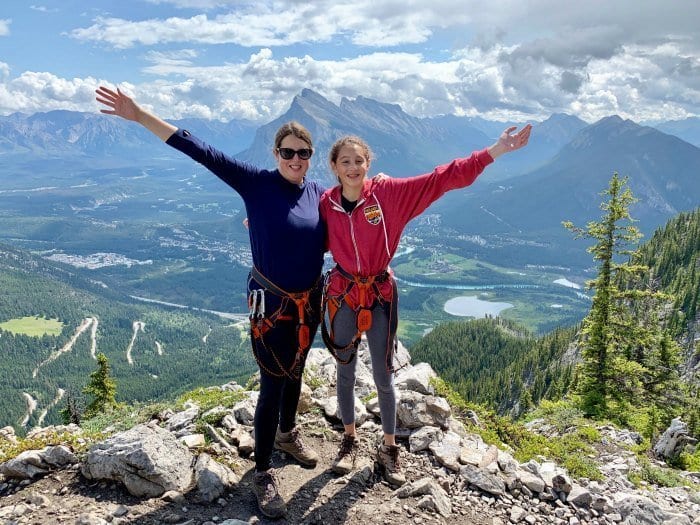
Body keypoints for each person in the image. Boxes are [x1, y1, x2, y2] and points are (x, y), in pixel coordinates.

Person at [95, 85, 325, 519]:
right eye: (289, 152)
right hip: (272, 304)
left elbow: (339, 231)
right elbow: (201, 150)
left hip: (307, 303)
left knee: (296, 370)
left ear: (311, 156)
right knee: (273, 381)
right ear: (275, 153)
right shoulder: (256, 184)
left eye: (304, 152)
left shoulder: (316, 194)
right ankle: (262, 473)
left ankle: (288, 434)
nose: (297, 159)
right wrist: (140, 114)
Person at [320, 125, 532, 485]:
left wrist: (495, 150)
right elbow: (303, 230)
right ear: (335, 167)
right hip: (343, 293)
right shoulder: (327, 203)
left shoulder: (388, 194)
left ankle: (388, 447)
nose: (353, 167)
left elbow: (441, 178)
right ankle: (349, 438)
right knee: (345, 370)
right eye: (345, 162)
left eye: (359, 160)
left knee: (383, 375)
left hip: (379, 294)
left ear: (368, 163)